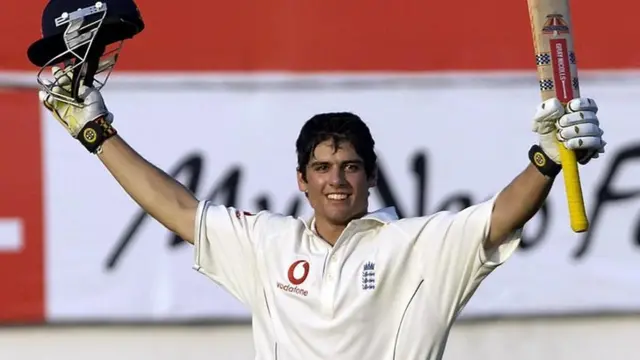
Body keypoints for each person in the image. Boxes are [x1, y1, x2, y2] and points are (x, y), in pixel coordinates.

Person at [38, 65, 605, 359]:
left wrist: (546, 160)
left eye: (351, 167)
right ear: (302, 181)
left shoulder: (416, 246)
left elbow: (501, 216)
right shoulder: (268, 244)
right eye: (324, 168)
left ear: (370, 176)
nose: (338, 180)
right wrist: (97, 134)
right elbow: (179, 206)